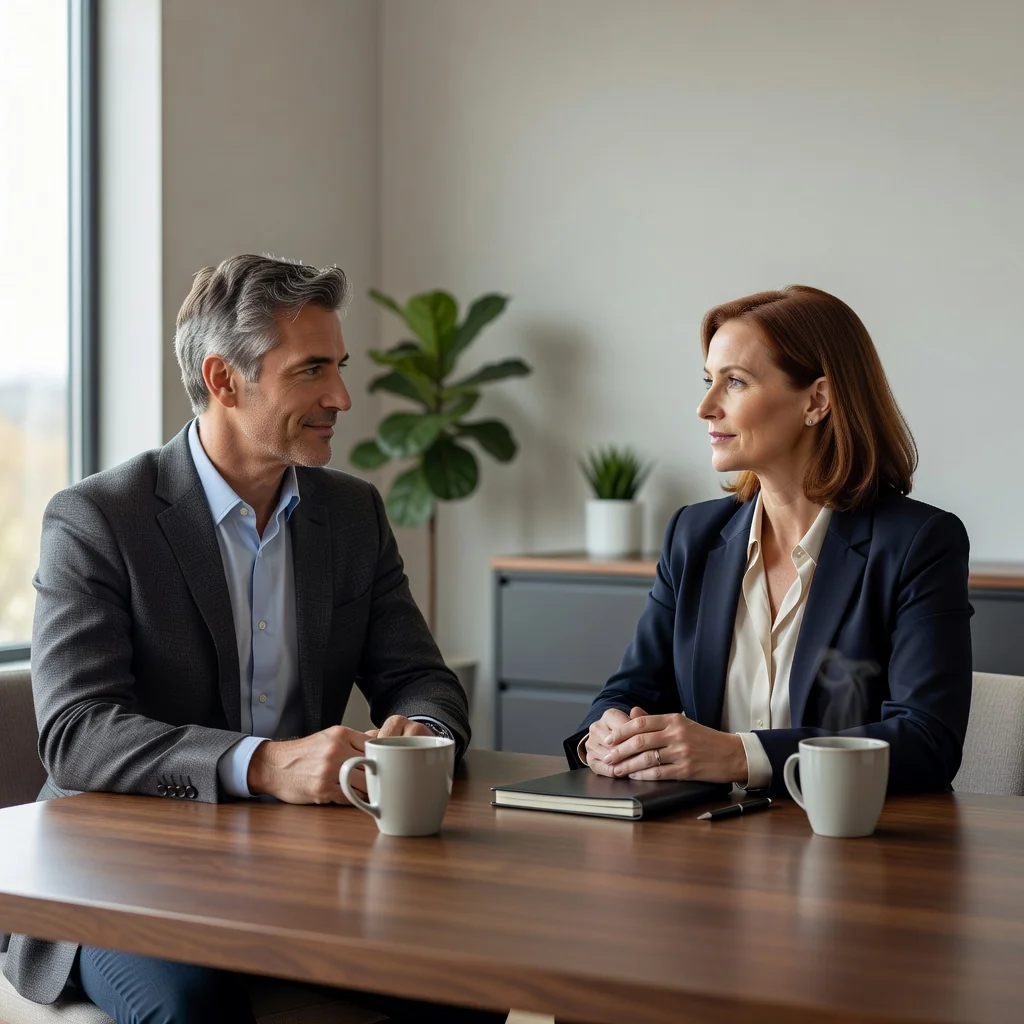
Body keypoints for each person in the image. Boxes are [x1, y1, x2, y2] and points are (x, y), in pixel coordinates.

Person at [4, 255, 504, 1023]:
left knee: (473, 982)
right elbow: (76, 734)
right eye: (311, 372)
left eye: (338, 367)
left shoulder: (353, 514)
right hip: (124, 872)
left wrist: (421, 735)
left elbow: (423, 678)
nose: (341, 396)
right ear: (224, 378)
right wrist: (267, 765)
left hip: (302, 864)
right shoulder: (99, 519)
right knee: (196, 1008)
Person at [565, 286, 972, 797]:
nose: (705, 407)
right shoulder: (693, 536)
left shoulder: (918, 543)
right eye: (709, 381)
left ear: (817, 399)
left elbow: (925, 741)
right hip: (699, 847)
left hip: (847, 850)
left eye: (735, 382)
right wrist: (605, 734)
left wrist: (739, 756)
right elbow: (630, 690)